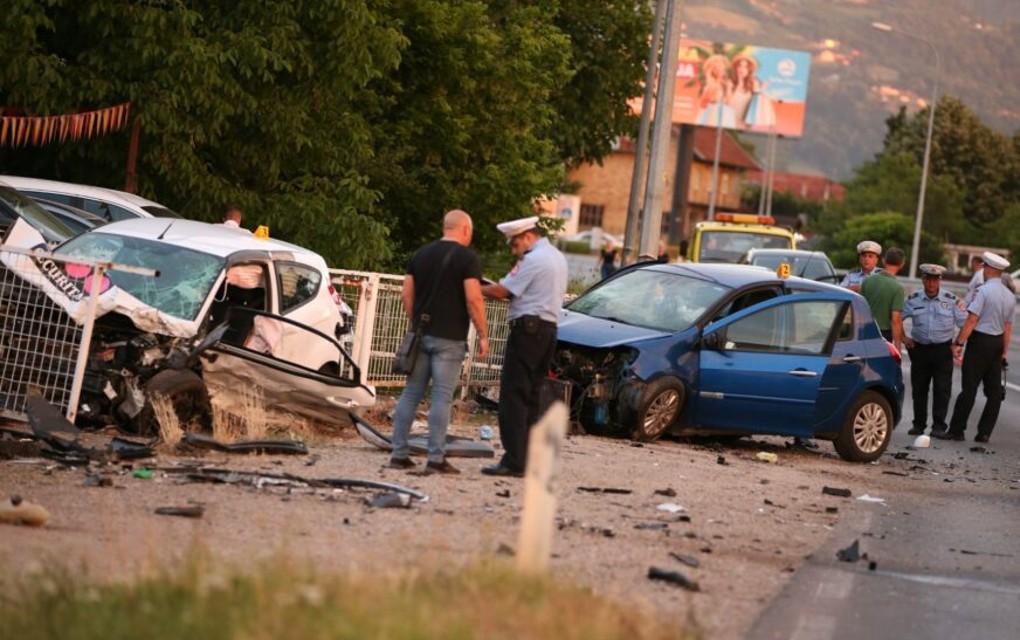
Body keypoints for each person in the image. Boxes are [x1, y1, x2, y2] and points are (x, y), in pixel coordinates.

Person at [387, 209, 489, 474]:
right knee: (442, 397)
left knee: (411, 393)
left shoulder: (421, 255)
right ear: (465, 230)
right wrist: (483, 334)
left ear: (446, 227)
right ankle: (435, 458)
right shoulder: (467, 258)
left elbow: (406, 294)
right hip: (451, 338)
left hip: (421, 335)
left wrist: (417, 323)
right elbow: (474, 299)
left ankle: (398, 454)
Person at [480, 215, 568, 477]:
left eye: (514, 243)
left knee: (513, 397)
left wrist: (475, 287)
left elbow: (502, 292)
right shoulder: (556, 257)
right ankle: (528, 458)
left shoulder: (533, 259)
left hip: (528, 333)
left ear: (527, 236)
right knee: (531, 398)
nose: (513, 248)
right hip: (547, 332)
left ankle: (514, 461)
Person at [936, 252, 1016, 443]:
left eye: (984, 267)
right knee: (994, 392)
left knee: (969, 388)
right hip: (996, 343)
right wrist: (1004, 352)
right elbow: (1007, 328)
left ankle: (957, 430)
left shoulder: (983, 291)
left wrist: (959, 343)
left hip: (980, 342)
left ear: (988, 269)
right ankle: (984, 433)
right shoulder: (1009, 296)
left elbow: (972, 319)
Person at [901, 264, 968, 436]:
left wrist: (958, 344)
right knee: (919, 389)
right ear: (923, 279)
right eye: (927, 279)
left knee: (942, 389)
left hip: (942, 350)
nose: (930, 283)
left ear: (940, 280)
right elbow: (896, 318)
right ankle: (918, 425)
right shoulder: (912, 299)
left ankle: (938, 426)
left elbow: (966, 323)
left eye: (934, 279)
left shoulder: (951, 300)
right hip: (920, 349)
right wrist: (903, 338)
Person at [859, 247, 905, 350]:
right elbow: (895, 319)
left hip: (865, 330)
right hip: (883, 335)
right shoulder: (897, 288)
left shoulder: (867, 281)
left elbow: (859, 309)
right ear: (902, 264)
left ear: (884, 261)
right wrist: (897, 348)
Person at [697, 54, 736, 128]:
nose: (720, 69)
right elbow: (705, 103)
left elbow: (729, 103)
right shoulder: (710, 85)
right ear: (711, 70)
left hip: (725, 113)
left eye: (721, 66)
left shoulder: (727, 83)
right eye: (716, 68)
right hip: (712, 114)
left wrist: (728, 88)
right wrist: (709, 77)